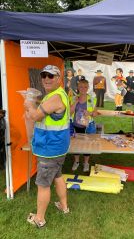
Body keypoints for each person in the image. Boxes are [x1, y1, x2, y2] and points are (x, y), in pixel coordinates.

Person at [24, 65, 70, 228]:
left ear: (59, 78)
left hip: (49, 149)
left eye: (51, 76)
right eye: (44, 75)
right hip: (58, 147)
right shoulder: (58, 94)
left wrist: (28, 103)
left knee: (43, 185)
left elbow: (36, 116)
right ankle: (64, 206)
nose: (46, 79)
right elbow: (46, 108)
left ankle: (39, 219)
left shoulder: (55, 97)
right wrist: (35, 100)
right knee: (57, 176)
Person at [70, 79, 97, 172]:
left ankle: (86, 163)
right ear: (78, 87)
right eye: (81, 86)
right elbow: (69, 112)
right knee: (76, 144)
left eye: (85, 87)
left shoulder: (92, 99)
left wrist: (89, 113)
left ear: (88, 87)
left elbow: (95, 113)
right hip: (76, 126)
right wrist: (76, 102)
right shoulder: (73, 98)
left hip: (88, 126)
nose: (83, 88)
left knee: (87, 145)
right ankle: (76, 162)